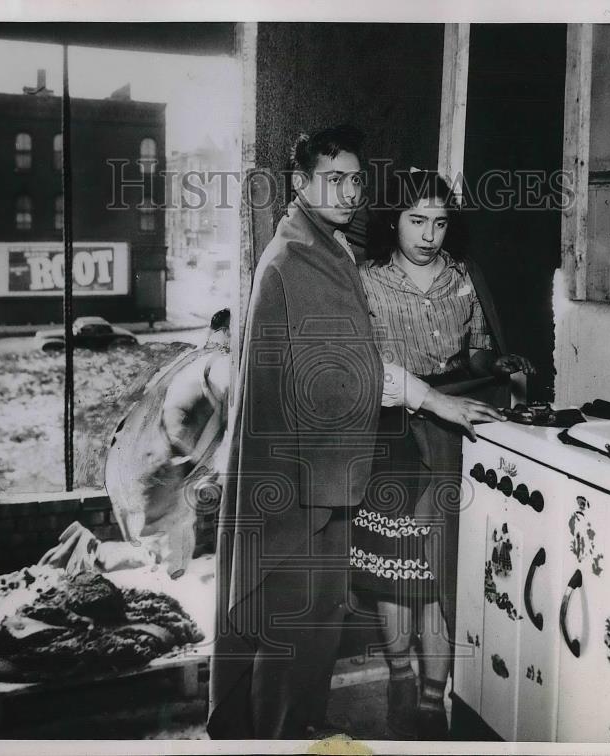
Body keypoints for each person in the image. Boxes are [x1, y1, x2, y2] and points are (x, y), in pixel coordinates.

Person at [207, 126, 503, 740]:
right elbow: (340, 376)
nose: (348, 193)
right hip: (297, 489)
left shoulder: (322, 244)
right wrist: (434, 402)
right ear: (300, 183)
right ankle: (283, 739)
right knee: (296, 628)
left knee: (302, 629)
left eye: (355, 180)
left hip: (310, 478)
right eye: (332, 179)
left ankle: (288, 731)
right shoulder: (299, 257)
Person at [351, 167, 535, 739]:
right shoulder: (365, 281)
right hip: (391, 435)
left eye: (439, 221)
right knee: (396, 570)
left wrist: (496, 365)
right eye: (416, 220)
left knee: (442, 570)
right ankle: (400, 676)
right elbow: (358, 366)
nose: (430, 233)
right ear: (393, 222)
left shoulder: (464, 278)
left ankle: (434, 699)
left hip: (452, 432)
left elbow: (477, 351)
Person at [39, 309, 232, 576]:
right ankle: (85, 550)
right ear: (228, 333)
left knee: (170, 561)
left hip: (153, 461)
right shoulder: (221, 363)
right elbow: (239, 404)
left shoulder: (199, 359)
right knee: (161, 563)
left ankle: (89, 551)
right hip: (166, 467)